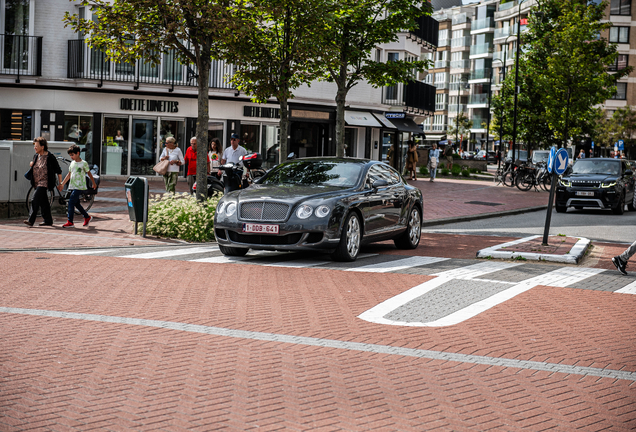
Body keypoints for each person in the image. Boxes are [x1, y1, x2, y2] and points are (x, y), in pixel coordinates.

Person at [24, 137, 63, 227]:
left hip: (44, 182)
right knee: (44, 202)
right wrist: (32, 164)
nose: (35, 148)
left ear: (42, 146)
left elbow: (58, 170)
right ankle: (48, 220)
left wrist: (60, 184)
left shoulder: (50, 157)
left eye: (37, 146)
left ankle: (31, 220)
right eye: (35, 146)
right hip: (36, 182)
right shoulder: (36, 156)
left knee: (35, 199)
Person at [59, 145, 97, 228]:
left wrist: (93, 183)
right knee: (76, 203)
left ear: (78, 153)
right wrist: (62, 183)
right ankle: (87, 217)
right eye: (70, 155)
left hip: (79, 186)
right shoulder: (72, 163)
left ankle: (70, 222)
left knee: (71, 202)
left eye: (72, 155)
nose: (71, 157)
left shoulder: (84, 163)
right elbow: (69, 175)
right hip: (73, 186)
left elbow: (89, 174)